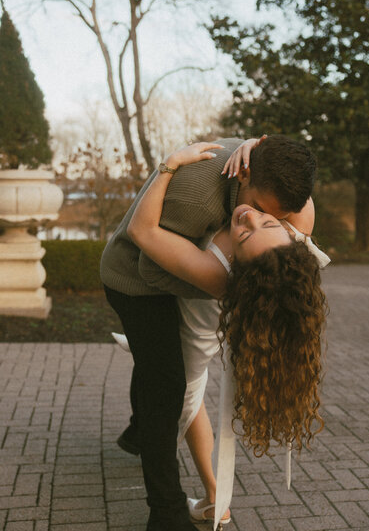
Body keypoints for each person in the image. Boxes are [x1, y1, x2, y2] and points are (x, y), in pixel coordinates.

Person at [101, 135, 318, 531]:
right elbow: (301, 196)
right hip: (148, 285)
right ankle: (174, 502)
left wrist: (170, 165)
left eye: (262, 225)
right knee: (160, 379)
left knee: (173, 391)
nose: (252, 217)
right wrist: (257, 141)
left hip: (191, 315)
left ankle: (198, 482)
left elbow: (147, 240)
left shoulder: (224, 273)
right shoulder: (280, 232)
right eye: (267, 217)